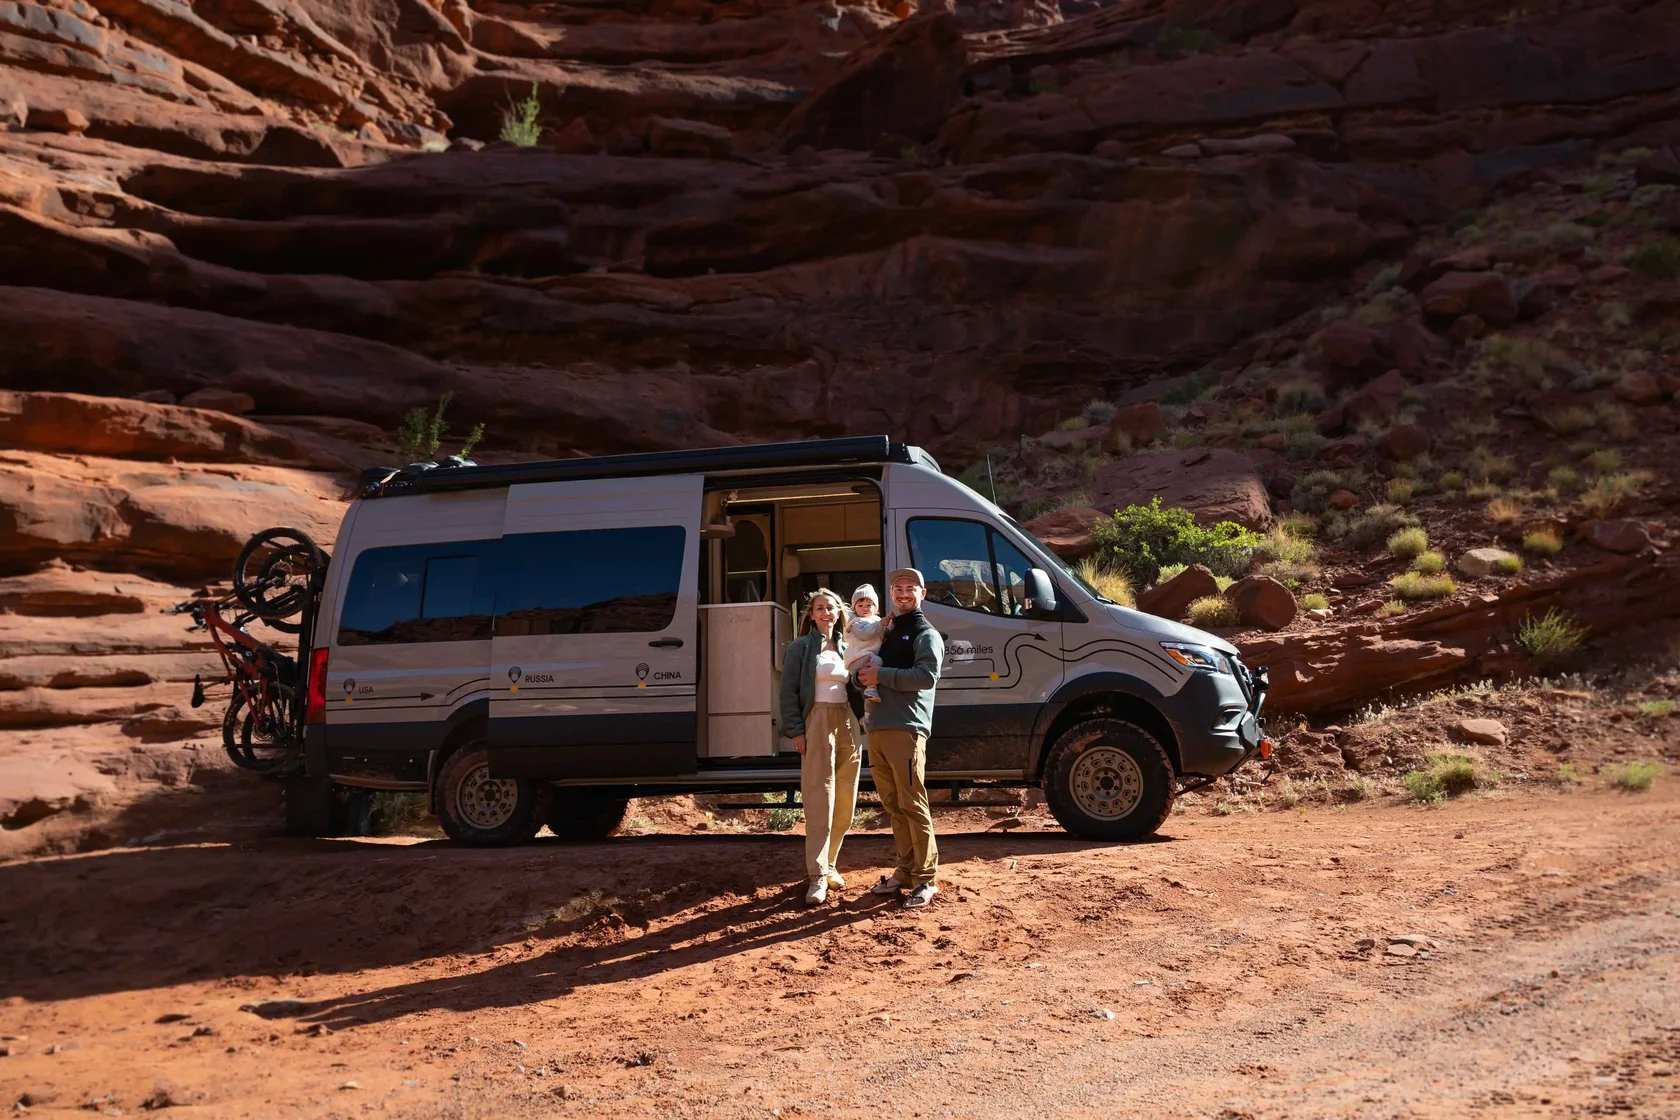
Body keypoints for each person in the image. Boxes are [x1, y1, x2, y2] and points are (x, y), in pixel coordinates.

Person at [856, 567, 944, 909]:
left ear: (923, 594)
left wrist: (881, 675)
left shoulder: (925, 633)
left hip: (906, 728)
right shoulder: (889, 632)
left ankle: (925, 879)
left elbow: (926, 676)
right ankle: (905, 871)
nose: (904, 593)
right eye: (898, 588)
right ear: (891, 594)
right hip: (878, 728)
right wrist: (861, 678)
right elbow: (870, 671)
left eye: (910, 588)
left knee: (912, 804)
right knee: (894, 806)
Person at [779, 588, 864, 906]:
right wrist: (796, 731)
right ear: (811, 615)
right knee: (819, 800)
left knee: (845, 802)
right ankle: (816, 875)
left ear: (839, 612)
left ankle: (830, 865)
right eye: (820, 608)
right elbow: (788, 692)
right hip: (816, 723)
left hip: (847, 723)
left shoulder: (849, 646)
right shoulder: (800, 647)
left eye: (831, 607)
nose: (826, 612)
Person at [842, 584, 886, 723]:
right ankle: (871, 688)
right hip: (858, 658)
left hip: (866, 657)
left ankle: (866, 717)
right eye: (860, 605)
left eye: (869, 605)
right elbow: (867, 634)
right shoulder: (856, 622)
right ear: (854, 608)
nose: (865, 608)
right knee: (877, 664)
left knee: (868, 696)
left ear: (876, 608)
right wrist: (882, 624)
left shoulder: (876, 621)